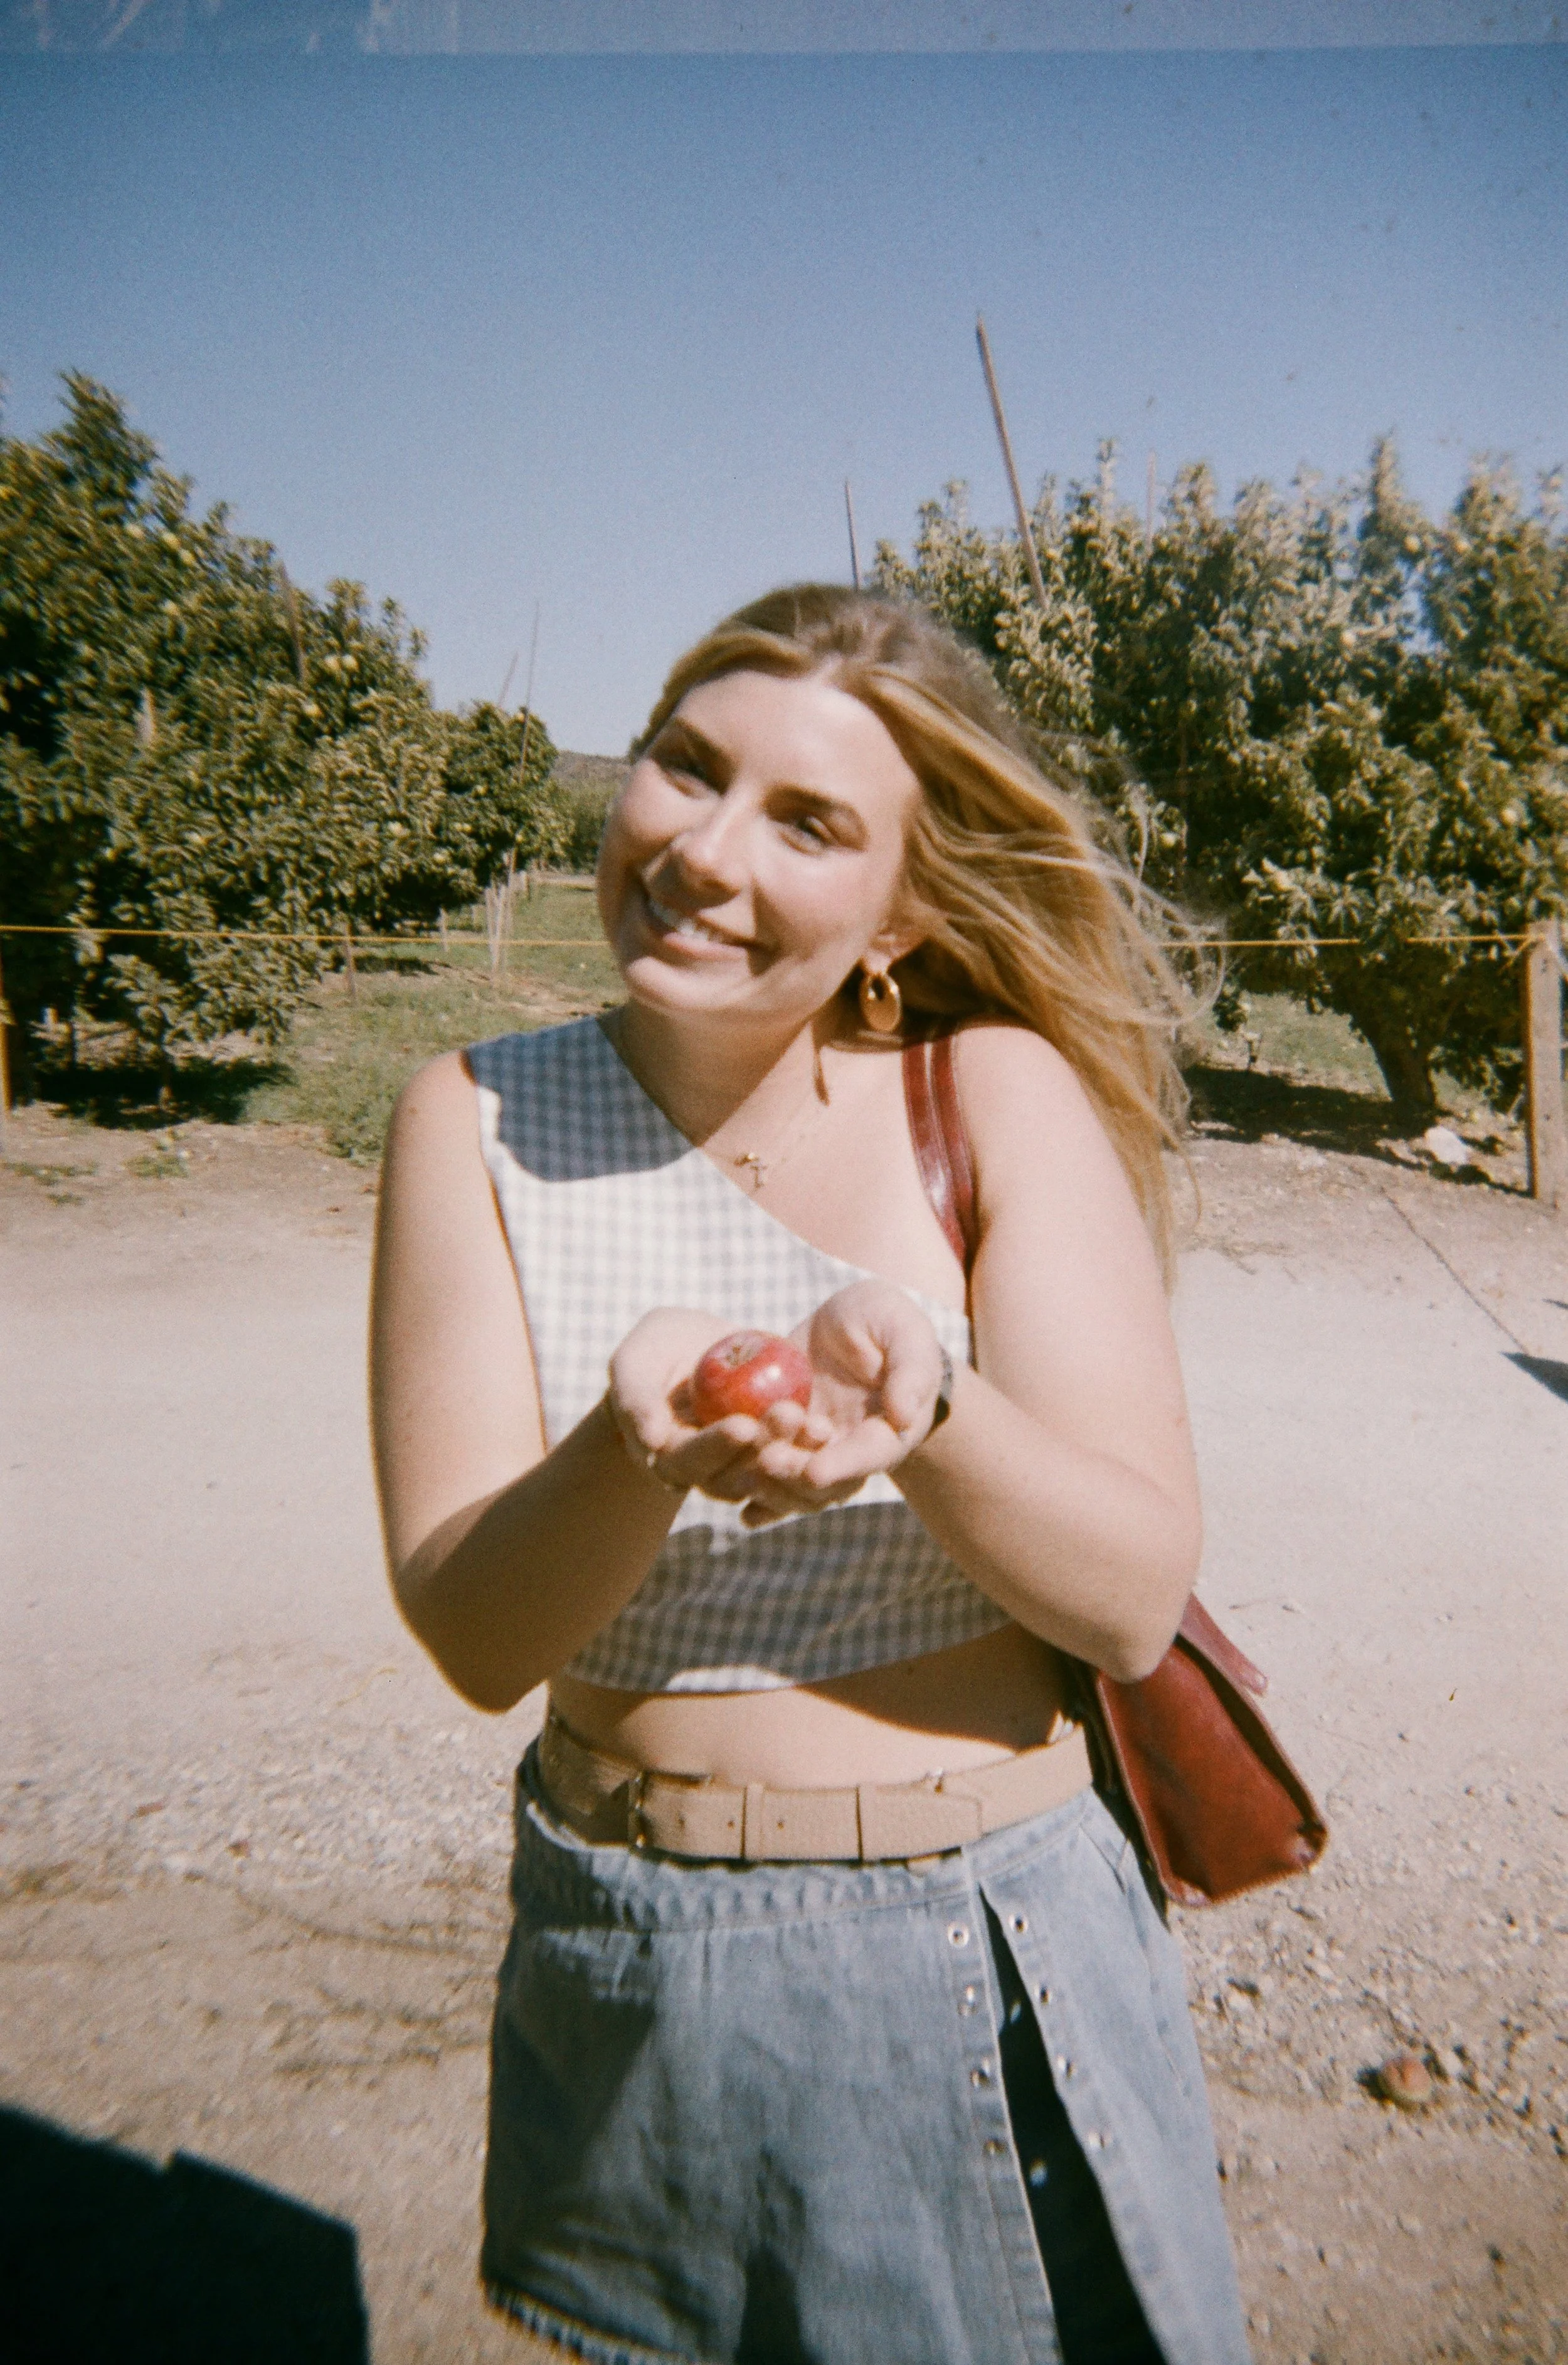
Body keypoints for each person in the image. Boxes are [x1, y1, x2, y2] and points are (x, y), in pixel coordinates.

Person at [369, 586, 1251, 2365]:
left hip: (976, 1947)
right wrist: (634, 1458)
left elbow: (1127, 1592)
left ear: (900, 907)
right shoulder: (466, 1114)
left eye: (807, 822)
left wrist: (930, 1418)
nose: (702, 850)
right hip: (626, 1960)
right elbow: (474, 1632)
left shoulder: (983, 1090)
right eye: (683, 769)